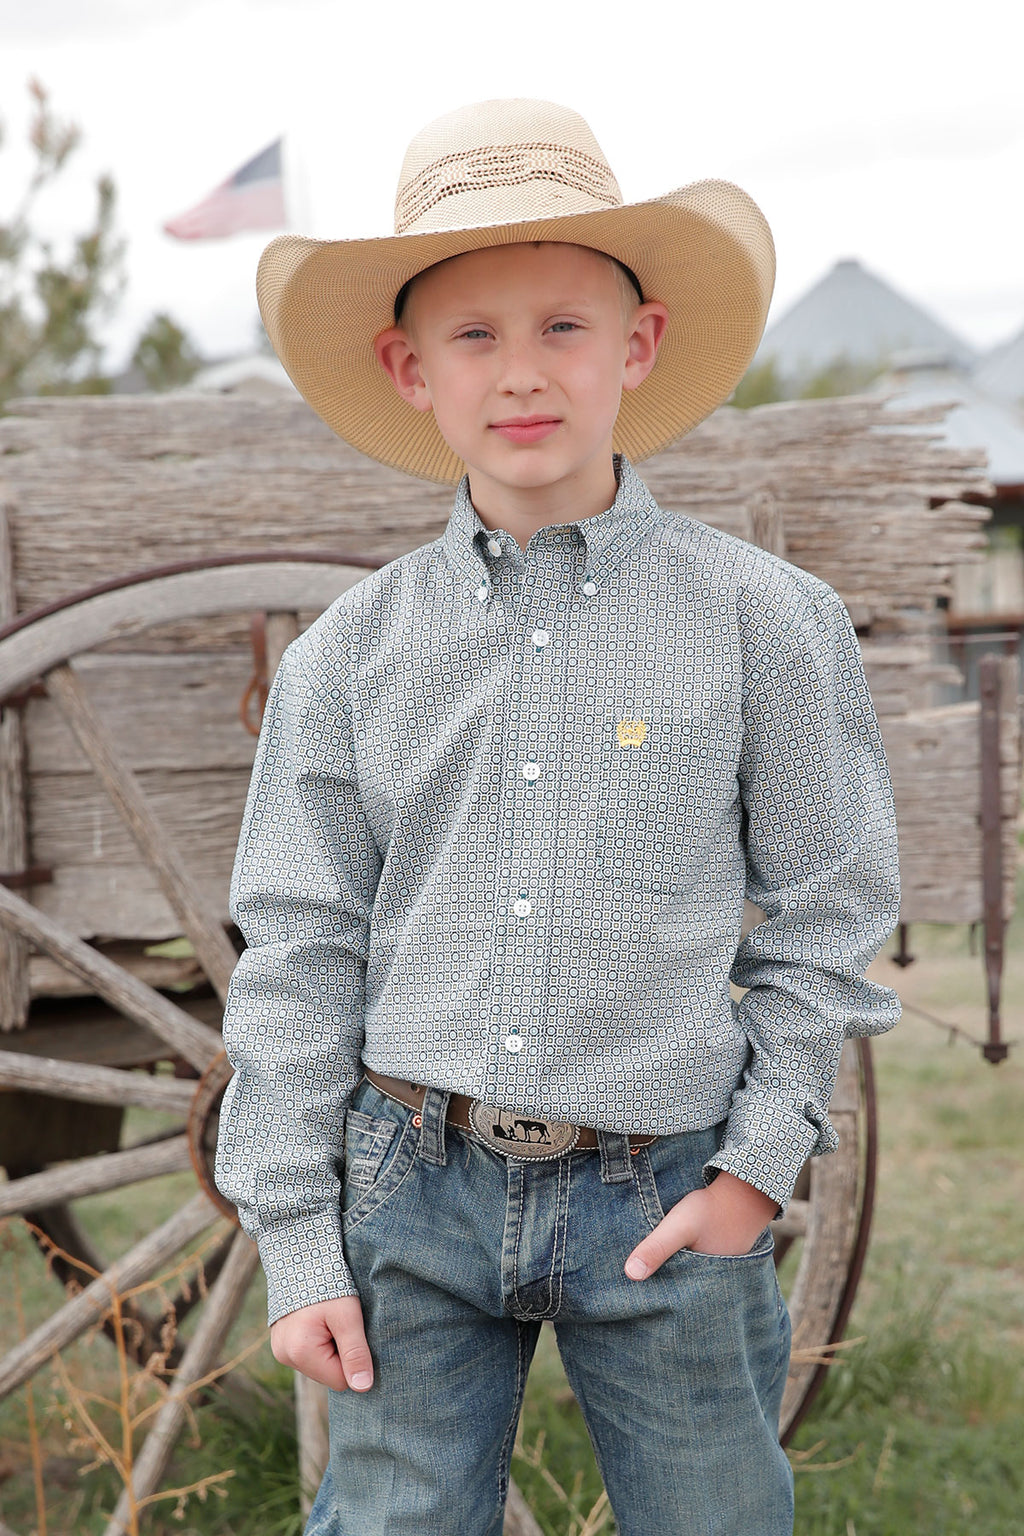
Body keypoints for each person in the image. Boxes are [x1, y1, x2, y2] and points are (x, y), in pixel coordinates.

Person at [214, 98, 901, 1536]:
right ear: (408, 367)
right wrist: (298, 1235)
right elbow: (298, 942)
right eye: (472, 335)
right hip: (409, 1186)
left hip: (666, 1189)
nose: (521, 373)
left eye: (563, 329)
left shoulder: (762, 622)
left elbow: (834, 905)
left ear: (638, 346)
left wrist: (755, 1168)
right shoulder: (350, 653)